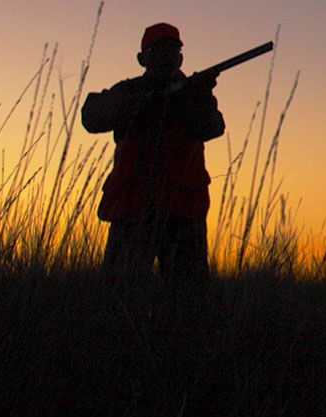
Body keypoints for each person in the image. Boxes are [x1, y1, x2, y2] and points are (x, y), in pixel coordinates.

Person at [81, 22, 224, 286]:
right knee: (119, 292)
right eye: (157, 51)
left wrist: (196, 97)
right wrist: (148, 103)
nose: (166, 56)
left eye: (172, 50)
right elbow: (91, 116)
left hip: (183, 209)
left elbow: (213, 127)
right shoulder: (128, 91)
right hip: (133, 207)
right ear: (142, 59)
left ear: (180, 58)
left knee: (188, 296)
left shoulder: (194, 94)